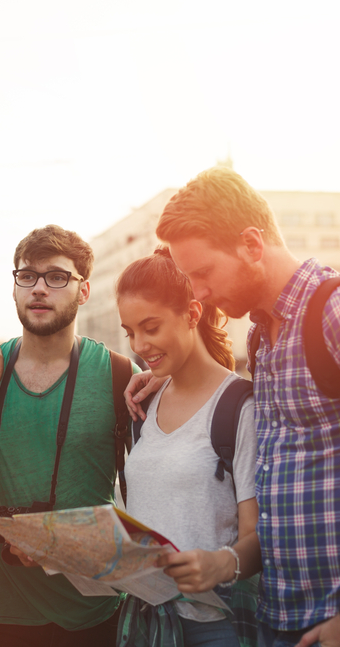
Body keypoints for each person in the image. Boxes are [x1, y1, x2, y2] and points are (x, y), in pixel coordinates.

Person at [128, 167, 340, 647]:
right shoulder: (263, 335)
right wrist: (165, 376)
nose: (197, 291)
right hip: (284, 615)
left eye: (202, 273)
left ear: (252, 245)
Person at [0, 225, 139, 647]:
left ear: (83, 291)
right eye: (27, 276)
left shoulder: (119, 375)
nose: (39, 288)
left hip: (98, 614)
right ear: (14, 288)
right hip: (7, 615)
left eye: (57, 277)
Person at [115, 248, 261, 647]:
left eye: (151, 327)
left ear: (193, 314)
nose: (139, 344)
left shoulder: (239, 406)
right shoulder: (144, 403)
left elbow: (258, 539)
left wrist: (220, 563)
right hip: (145, 622)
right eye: (130, 332)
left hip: (213, 627)